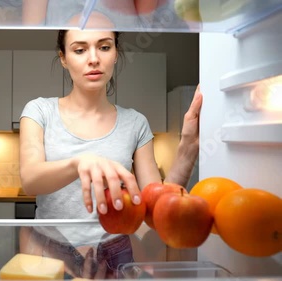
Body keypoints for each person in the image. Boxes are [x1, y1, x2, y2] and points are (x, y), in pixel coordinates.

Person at [17, 17, 203, 279]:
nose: (93, 59)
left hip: (117, 255)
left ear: (116, 54)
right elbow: (31, 180)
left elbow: (154, 208)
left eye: (104, 47)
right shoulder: (39, 111)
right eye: (80, 50)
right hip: (51, 253)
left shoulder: (135, 123)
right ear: (63, 57)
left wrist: (187, 150)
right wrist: (80, 162)